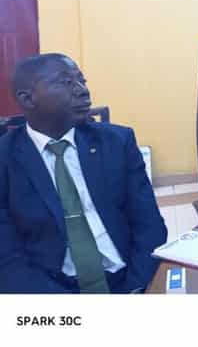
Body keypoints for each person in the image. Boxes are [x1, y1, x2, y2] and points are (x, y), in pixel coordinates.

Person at [0, 54, 167, 293]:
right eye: (66, 82)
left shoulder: (117, 142)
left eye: (82, 80)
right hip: (52, 289)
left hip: (127, 280)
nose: (82, 90)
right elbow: (7, 260)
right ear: (27, 98)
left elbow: (149, 227)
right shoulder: (6, 159)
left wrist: (135, 288)